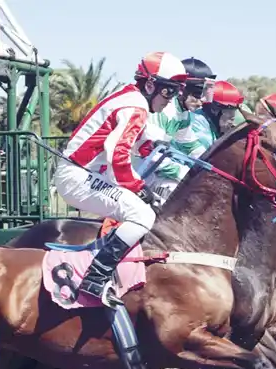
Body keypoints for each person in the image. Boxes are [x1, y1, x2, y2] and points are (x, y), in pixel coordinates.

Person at [52, 51, 187, 307]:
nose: (170, 100)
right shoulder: (134, 106)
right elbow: (118, 152)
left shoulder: (133, 101)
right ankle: (95, 278)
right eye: (169, 91)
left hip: (87, 174)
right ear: (150, 85)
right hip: (77, 176)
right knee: (142, 215)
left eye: (175, 93)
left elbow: (139, 146)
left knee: (152, 207)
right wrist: (137, 187)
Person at [149, 80, 245, 200]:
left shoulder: (210, 126)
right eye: (230, 113)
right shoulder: (200, 129)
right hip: (164, 178)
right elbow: (206, 162)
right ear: (215, 110)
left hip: (178, 176)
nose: (232, 119)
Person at [136, 57, 216, 192]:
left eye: (206, 92)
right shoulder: (162, 110)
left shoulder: (184, 114)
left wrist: (214, 166)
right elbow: (150, 156)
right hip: (136, 168)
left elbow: (192, 148)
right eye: (199, 92)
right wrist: (187, 174)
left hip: (149, 171)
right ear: (181, 90)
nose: (203, 100)